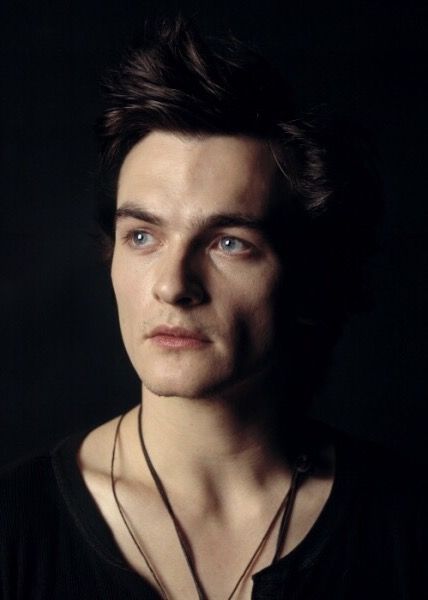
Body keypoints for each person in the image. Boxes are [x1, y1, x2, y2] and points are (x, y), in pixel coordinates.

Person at [0, 16, 424, 600]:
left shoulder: (405, 526)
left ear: (308, 271)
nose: (173, 286)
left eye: (229, 243)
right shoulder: (14, 531)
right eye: (143, 237)